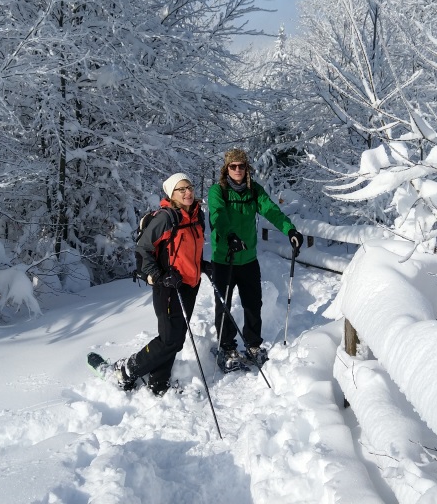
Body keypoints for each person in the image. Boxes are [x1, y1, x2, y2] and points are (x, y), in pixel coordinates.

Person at [113, 172, 209, 395]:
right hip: (168, 286)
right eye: (181, 189)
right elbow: (143, 249)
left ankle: (158, 381)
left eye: (189, 187)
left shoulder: (197, 216)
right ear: (172, 194)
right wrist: (159, 276)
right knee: (168, 339)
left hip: (190, 285)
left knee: (177, 338)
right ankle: (127, 370)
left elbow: (186, 250)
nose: (187, 192)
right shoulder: (166, 218)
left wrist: (202, 265)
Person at [208, 149, 303, 369]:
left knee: (253, 304)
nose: (237, 170)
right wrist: (229, 236)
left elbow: (271, 210)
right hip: (224, 259)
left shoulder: (254, 191)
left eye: (241, 166)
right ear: (226, 169)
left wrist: (290, 230)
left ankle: (253, 345)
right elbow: (218, 215)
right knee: (224, 305)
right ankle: (226, 347)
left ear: (247, 168)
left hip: (248, 259)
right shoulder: (218, 191)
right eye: (233, 166)